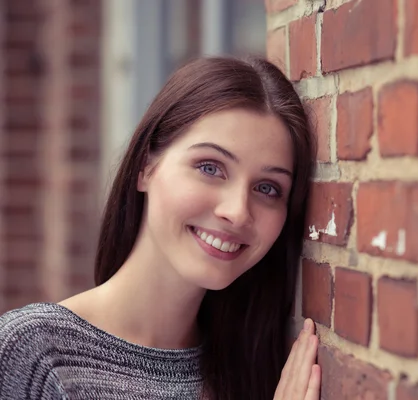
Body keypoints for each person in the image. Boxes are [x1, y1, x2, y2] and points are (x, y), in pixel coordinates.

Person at [0, 57, 320, 400]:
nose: (237, 211)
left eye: (267, 188)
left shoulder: (262, 370)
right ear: (145, 167)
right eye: (210, 167)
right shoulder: (33, 355)